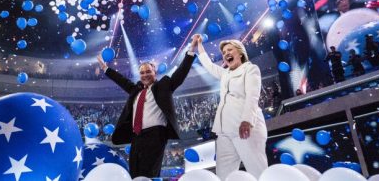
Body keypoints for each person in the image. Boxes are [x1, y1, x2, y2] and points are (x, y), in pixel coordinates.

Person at [96, 44, 196, 178]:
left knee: (149, 174)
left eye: (148, 71)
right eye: (142, 73)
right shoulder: (136, 90)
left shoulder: (163, 86)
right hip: (136, 136)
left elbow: (181, 73)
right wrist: (105, 68)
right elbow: (121, 80)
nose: (145, 75)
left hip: (155, 135)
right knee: (135, 173)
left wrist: (190, 52)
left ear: (155, 72)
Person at [192, 34, 268, 180]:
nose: (226, 53)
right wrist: (199, 44)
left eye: (229, 50)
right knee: (223, 174)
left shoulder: (250, 69)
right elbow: (209, 65)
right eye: (224, 52)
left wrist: (246, 121)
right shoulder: (225, 73)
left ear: (240, 52)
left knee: (257, 170)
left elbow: (253, 96)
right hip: (224, 130)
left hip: (245, 127)